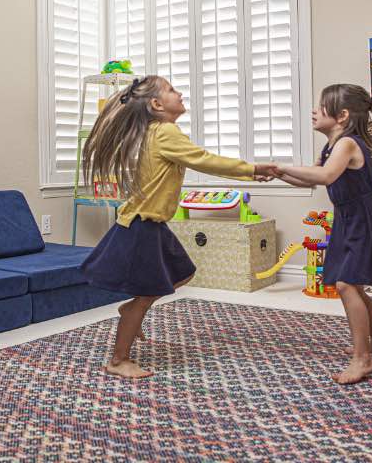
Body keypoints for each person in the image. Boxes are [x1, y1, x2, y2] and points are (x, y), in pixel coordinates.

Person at [80, 75, 278, 379]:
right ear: (157, 104)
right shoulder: (165, 132)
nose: (180, 93)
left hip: (153, 224)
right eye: (172, 90)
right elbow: (204, 160)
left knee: (183, 273)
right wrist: (252, 170)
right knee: (146, 294)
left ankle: (131, 310)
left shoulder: (156, 131)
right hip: (141, 226)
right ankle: (119, 359)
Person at [273, 84, 372, 383]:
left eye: (321, 106)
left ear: (342, 116)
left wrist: (280, 166)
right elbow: (310, 180)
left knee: (347, 285)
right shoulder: (330, 146)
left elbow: (326, 176)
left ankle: (363, 359)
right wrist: (278, 174)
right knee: (356, 287)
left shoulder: (347, 144)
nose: (314, 110)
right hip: (348, 219)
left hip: (362, 219)